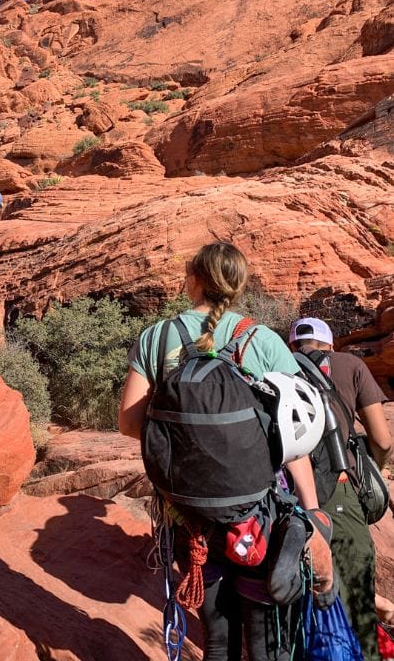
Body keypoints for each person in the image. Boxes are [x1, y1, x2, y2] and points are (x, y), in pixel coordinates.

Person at [119, 242, 324, 661]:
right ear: (238, 285)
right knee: (264, 640)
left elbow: (128, 422)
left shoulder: (156, 337)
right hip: (257, 513)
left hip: (187, 514)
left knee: (216, 635)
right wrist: (312, 512)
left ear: (192, 280)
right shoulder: (262, 339)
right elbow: (294, 434)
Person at [289, 316, 392, 661]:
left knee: (304, 596)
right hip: (342, 489)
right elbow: (381, 438)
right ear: (330, 344)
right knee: (358, 601)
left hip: (288, 495)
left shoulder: (278, 366)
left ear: (293, 345)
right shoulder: (351, 365)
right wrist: (372, 471)